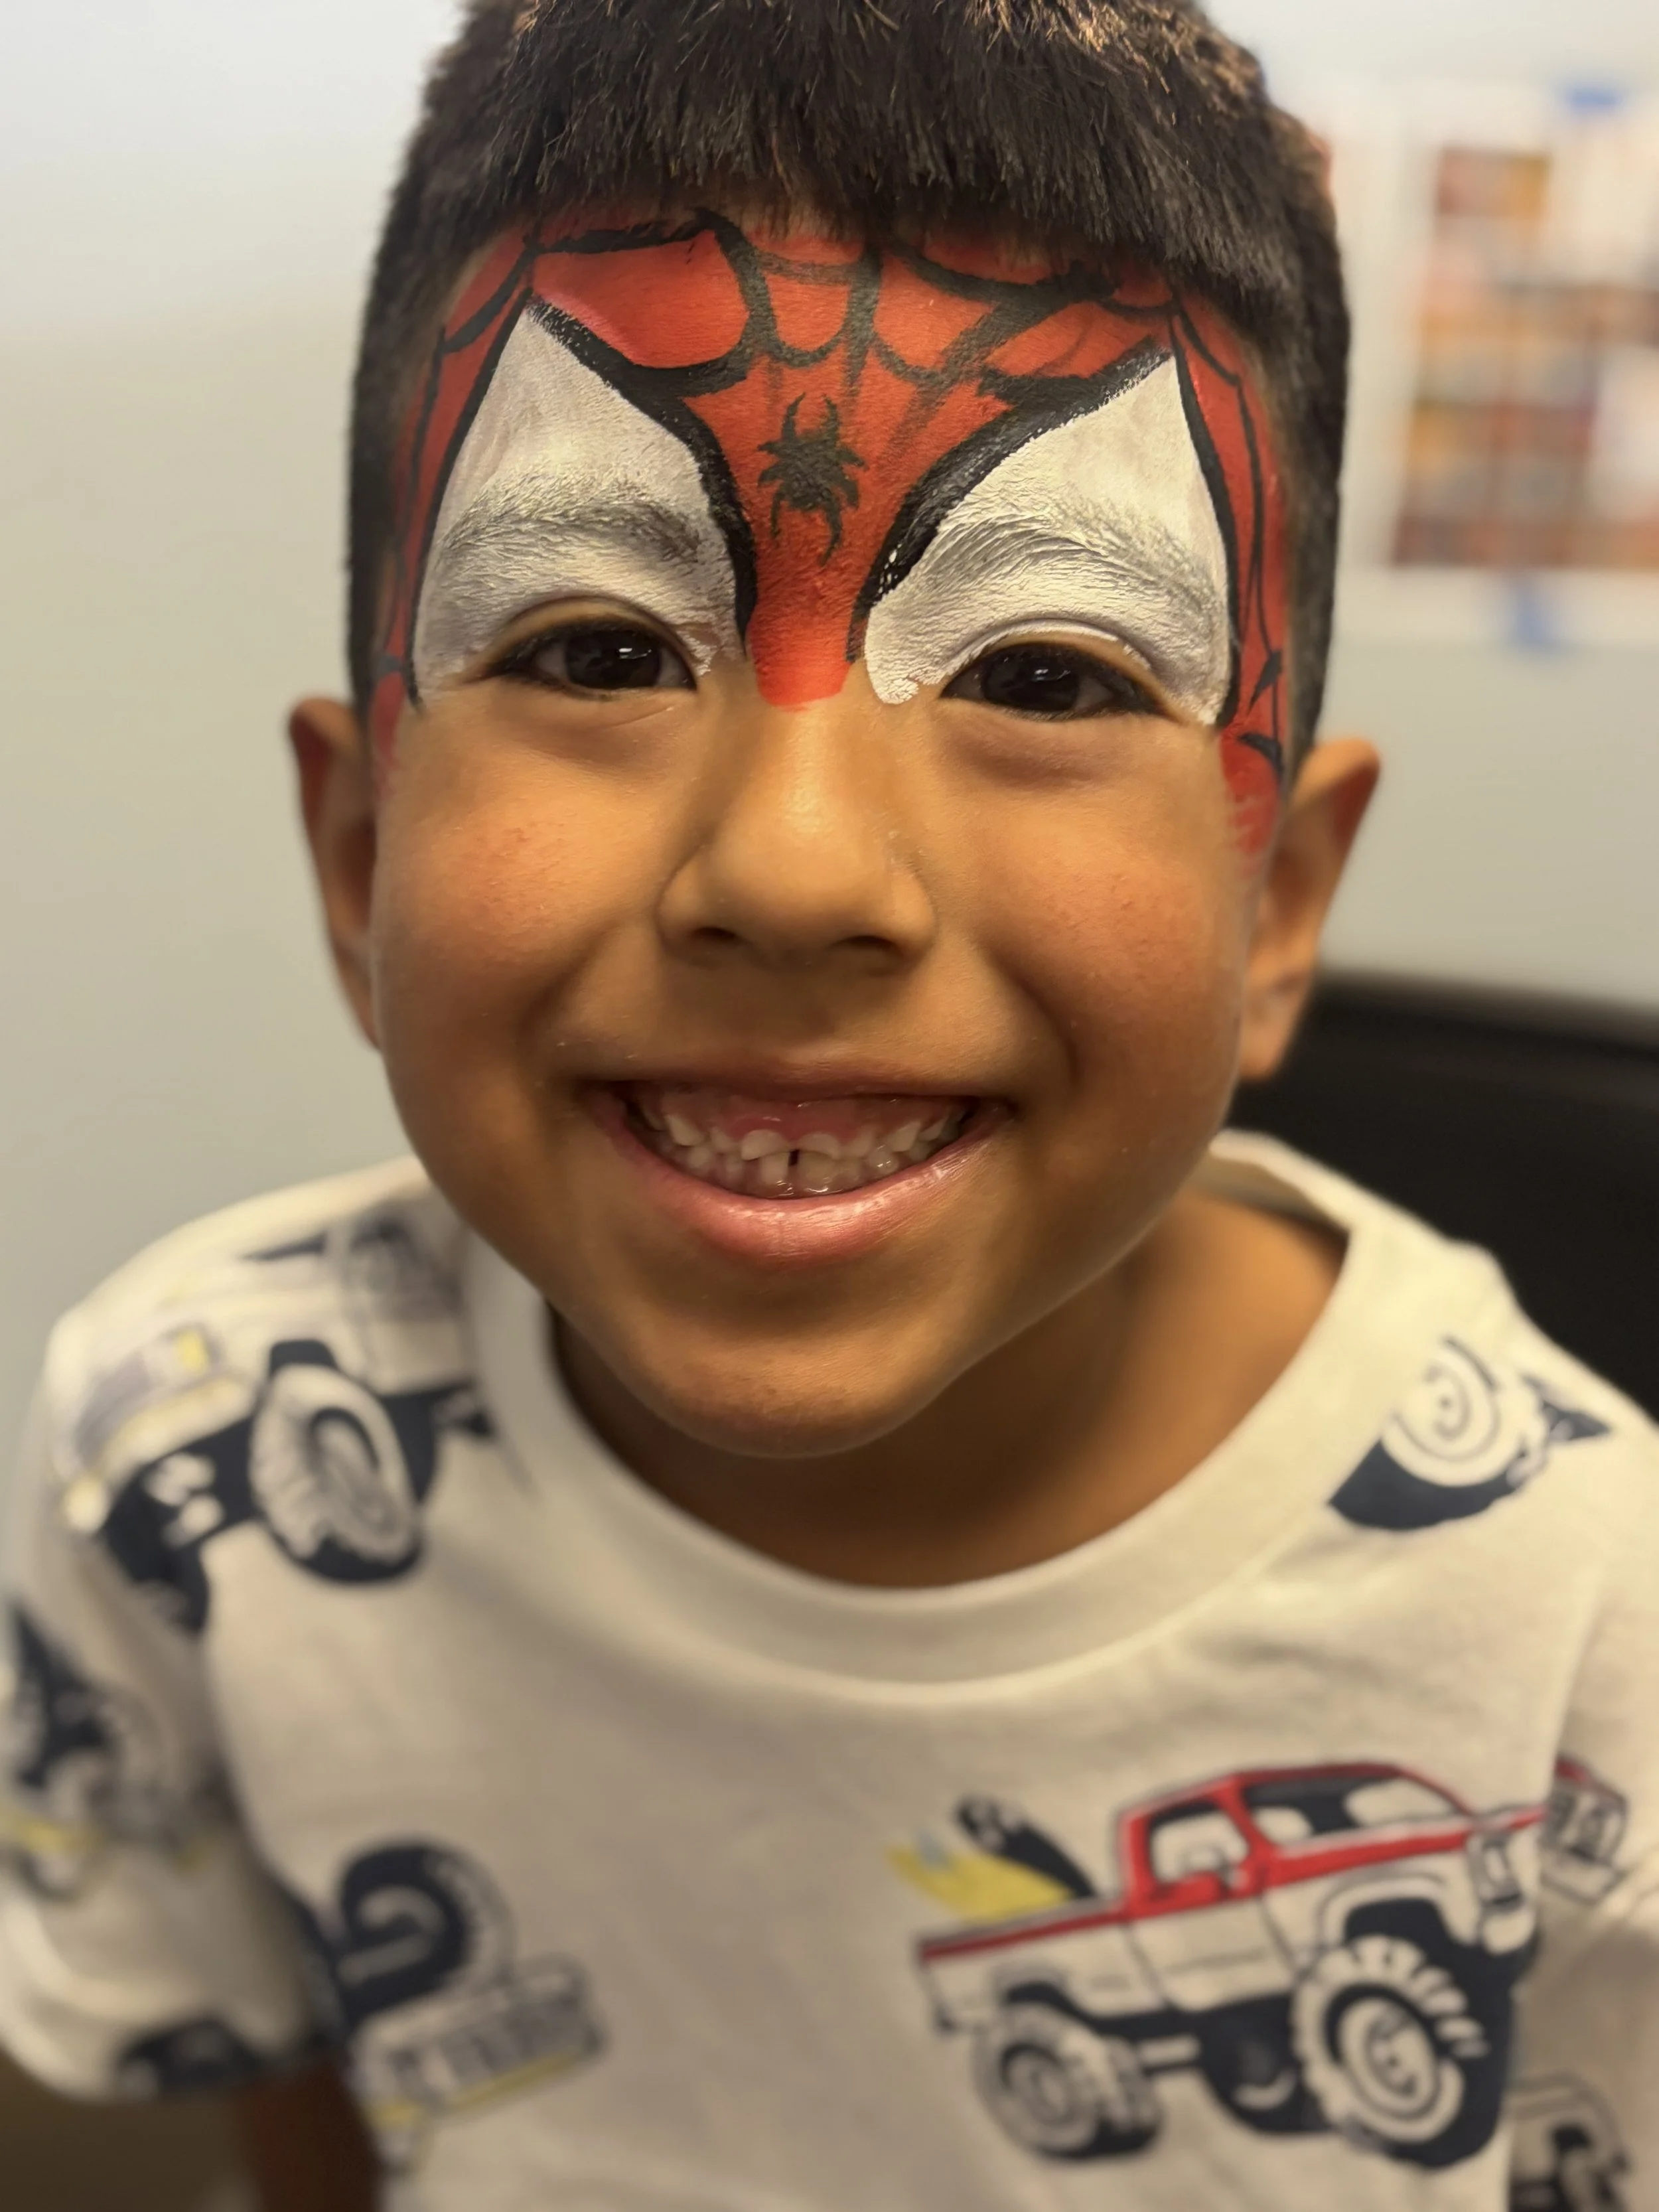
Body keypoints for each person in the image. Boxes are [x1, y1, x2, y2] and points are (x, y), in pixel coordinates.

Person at [2, 2, 1654, 2205]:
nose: (792, 869)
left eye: (1046, 670)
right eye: (594, 646)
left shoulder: (1586, 1646)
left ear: (1277, 903)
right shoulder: (195, 1458)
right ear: (359, 850)